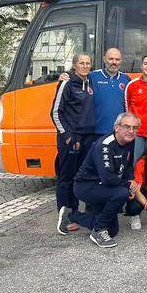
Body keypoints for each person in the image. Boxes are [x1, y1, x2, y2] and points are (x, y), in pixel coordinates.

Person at [56, 112, 140, 248]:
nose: (131, 131)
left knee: (112, 231)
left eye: (135, 128)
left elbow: (128, 165)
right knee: (122, 193)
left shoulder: (130, 141)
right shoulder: (105, 145)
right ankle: (98, 230)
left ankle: (71, 215)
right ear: (117, 127)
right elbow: (107, 178)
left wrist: (131, 180)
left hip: (105, 187)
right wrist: (127, 185)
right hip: (86, 186)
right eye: (127, 127)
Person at [51, 52, 95, 231]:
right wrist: (67, 136)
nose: (85, 66)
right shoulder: (67, 83)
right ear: (75, 65)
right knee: (66, 178)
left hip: (86, 138)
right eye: (81, 63)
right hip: (70, 139)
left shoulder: (90, 82)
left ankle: (75, 214)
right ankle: (64, 218)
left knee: (80, 177)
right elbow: (55, 112)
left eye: (88, 63)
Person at [89, 47, 131, 137]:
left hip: (120, 132)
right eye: (111, 59)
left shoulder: (126, 79)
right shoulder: (92, 76)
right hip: (97, 132)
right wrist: (65, 77)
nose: (114, 62)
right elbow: (77, 81)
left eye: (117, 59)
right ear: (104, 59)